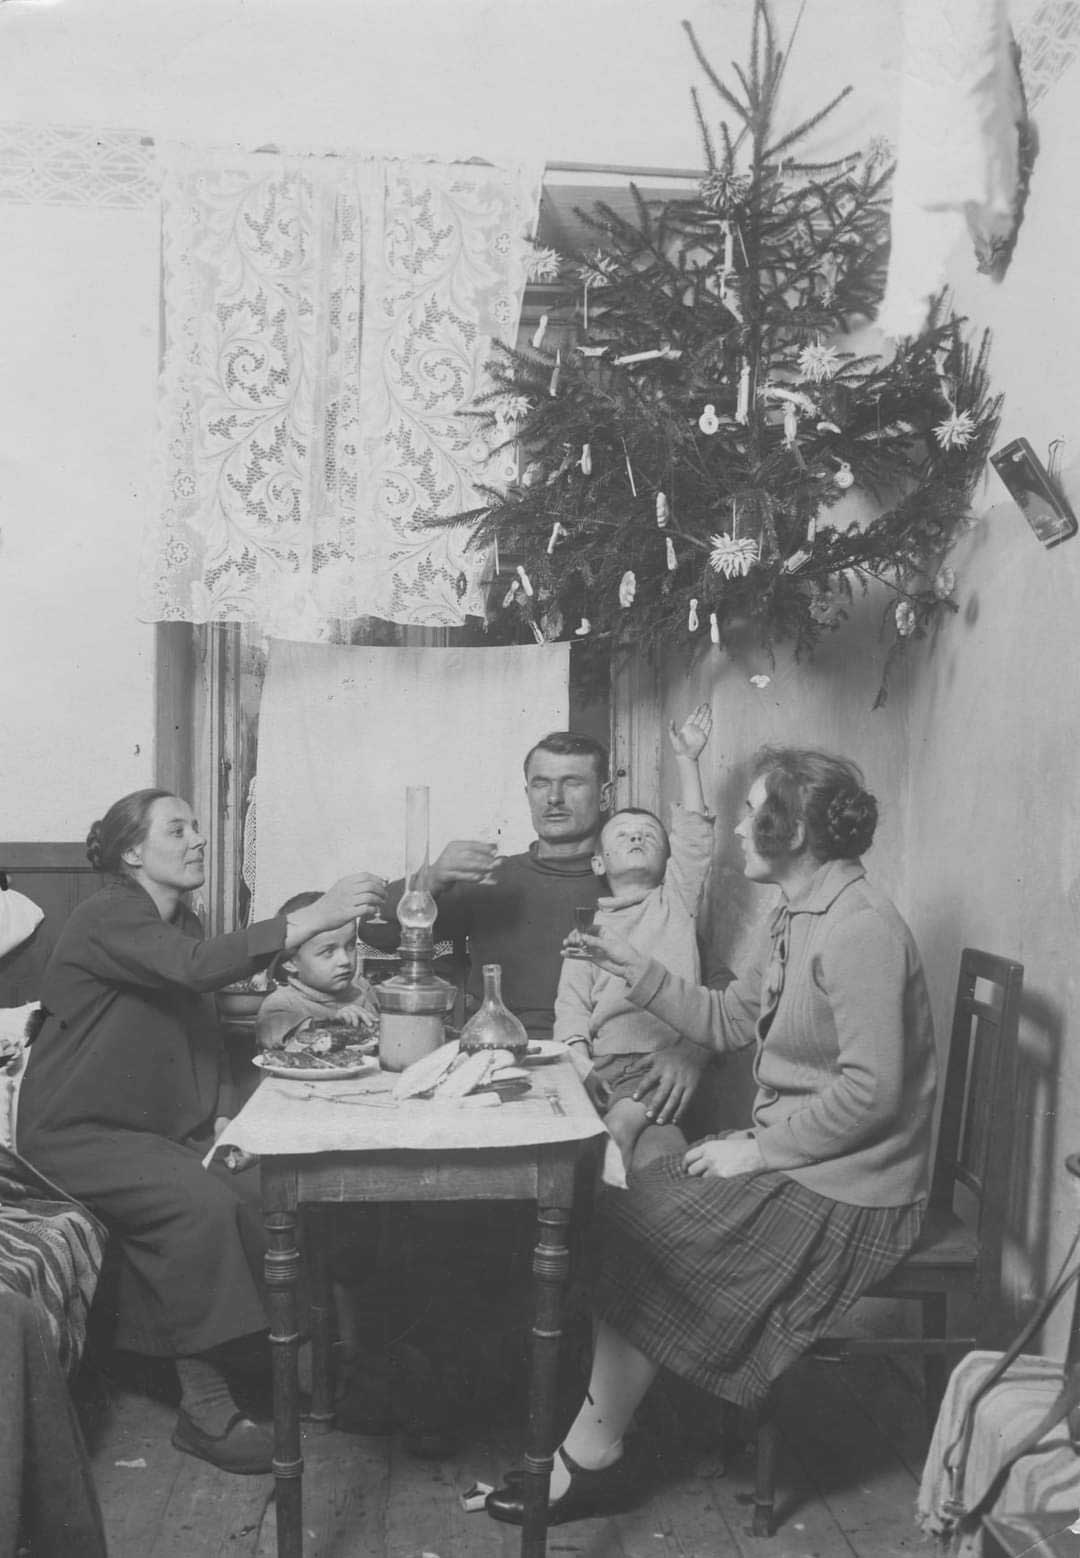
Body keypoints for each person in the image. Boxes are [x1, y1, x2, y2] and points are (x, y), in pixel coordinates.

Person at [485, 746, 938, 1527]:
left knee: (647, 1223)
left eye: (752, 813)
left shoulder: (859, 929)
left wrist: (756, 1150)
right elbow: (728, 1020)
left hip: (857, 1187)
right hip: (810, 1159)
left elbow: (874, 1093)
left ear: (794, 831)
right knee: (632, 1209)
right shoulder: (797, 911)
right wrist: (633, 967)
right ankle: (602, 1438)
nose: (735, 828)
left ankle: (591, 1455)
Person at [16, 789, 385, 1476]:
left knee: (264, 1185)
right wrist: (318, 914)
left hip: (144, 1133)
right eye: (177, 829)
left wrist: (220, 1111)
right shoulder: (108, 914)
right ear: (132, 853)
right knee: (199, 1204)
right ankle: (205, 1410)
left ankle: (305, 1371)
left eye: (196, 827)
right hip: (73, 1134)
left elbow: (201, 1029)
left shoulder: (181, 921)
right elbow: (195, 969)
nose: (197, 840)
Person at [554, 704, 715, 1177]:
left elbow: (694, 839)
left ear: (667, 859)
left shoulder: (675, 901)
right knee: (662, 1154)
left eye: (649, 835)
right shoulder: (589, 930)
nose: (637, 839)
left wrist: (687, 761)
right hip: (603, 1067)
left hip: (662, 1061)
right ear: (599, 863)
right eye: (623, 835)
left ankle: (619, 1141)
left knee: (623, 1134)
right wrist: (579, 1060)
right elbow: (571, 1005)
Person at [256, 890, 379, 1050]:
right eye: (328, 951)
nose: (345, 960)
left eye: (349, 946)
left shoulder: (363, 988)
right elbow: (279, 1039)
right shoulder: (280, 1004)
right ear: (290, 962)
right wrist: (333, 1022)